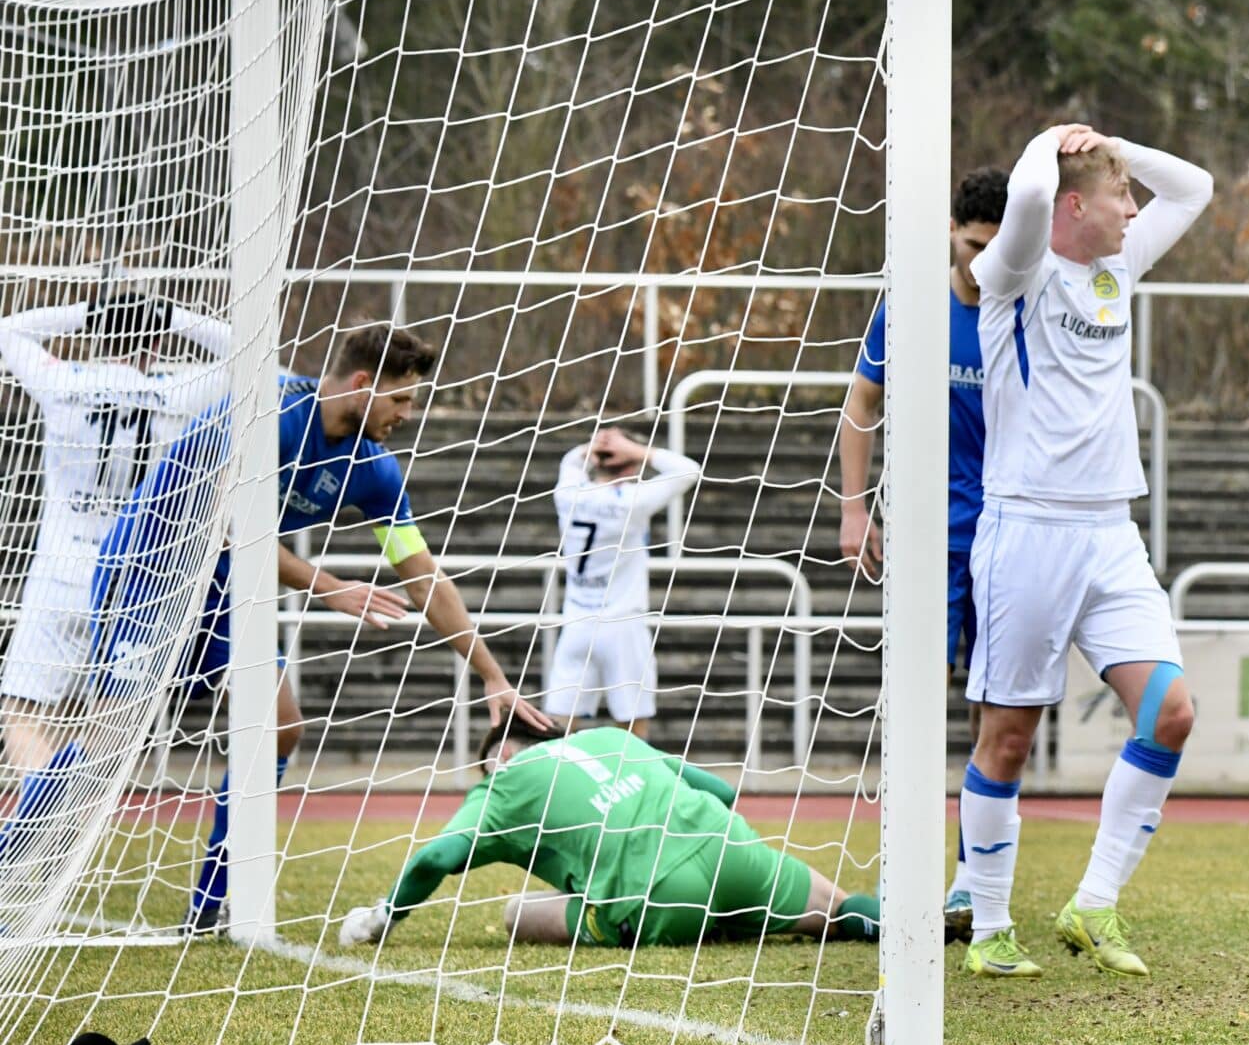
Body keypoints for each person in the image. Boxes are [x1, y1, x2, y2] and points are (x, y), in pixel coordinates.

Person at [85, 321, 549, 932]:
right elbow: (223, 522)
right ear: (361, 384)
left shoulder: (376, 471)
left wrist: (491, 674)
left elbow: (423, 575)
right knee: (108, 745)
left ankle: (209, 909)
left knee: (281, 727)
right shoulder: (265, 413)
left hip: (227, 587)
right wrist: (331, 587)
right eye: (401, 398)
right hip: (146, 571)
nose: (408, 414)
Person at [959, 123, 1211, 980]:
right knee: (1009, 736)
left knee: (1170, 711)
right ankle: (988, 924)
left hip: (1112, 531)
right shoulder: (1014, 272)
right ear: (1076, 205)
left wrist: (1116, 146)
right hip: (1027, 526)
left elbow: (1197, 187)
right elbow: (1028, 196)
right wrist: (1044, 138)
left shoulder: (1119, 265)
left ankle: (1092, 902)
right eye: (1117, 194)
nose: (1134, 206)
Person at [836, 167, 1007, 941]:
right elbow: (860, 404)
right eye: (974, 245)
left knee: (995, 708)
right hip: (926, 536)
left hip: (1005, 536)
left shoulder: (1019, 306)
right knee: (918, 699)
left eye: (998, 249)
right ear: (951, 231)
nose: (983, 263)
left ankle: (975, 884)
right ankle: (907, 866)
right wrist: (852, 505)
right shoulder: (909, 307)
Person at [338, 715, 879, 949]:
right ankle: (914, 926)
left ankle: (694, 920)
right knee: (839, 907)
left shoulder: (501, 785)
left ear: (497, 761)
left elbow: (436, 858)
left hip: (655, 897)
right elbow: (722, 792)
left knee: (515, 913)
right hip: (727, 846)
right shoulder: (608, 736)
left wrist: (385, 914)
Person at [0, 289, 230, 786]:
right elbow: (249, 353)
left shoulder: (61, 381)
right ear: (156, 343)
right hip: (135, 578)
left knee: (21, 709)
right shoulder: (179, 392)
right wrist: (178, 319)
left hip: (59, 574)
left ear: (99, 337)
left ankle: (39, 813)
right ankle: (70, 813)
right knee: (107, 724)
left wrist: (84, 312)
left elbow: (9, 330)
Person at [546, 426, 702, 738]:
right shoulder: (633, 499)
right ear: (631, 465)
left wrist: (595, 444)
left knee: (556, 726)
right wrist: (636, 449)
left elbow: (569, 462)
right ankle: (632, 784)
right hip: (623, 625)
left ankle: (544, 781)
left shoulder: (569, 492)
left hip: (577, 622)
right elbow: (689, 471)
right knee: (633, 725)